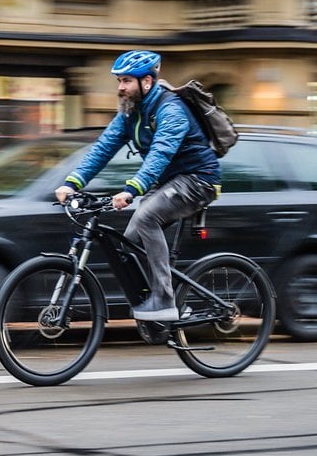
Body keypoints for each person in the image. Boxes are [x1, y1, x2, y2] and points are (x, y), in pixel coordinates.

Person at [55, 50, 220, 321]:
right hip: (169, 182)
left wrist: (132, 189)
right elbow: (103, 148)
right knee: (129, 242)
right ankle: (158, 302)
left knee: (145, 218)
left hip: (199, 179)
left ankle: (164, 300)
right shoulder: (130, 113)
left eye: (127, 81)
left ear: (147, 82)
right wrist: (73, 182)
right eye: (119, 81)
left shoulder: (170, 109)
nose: (121, 87)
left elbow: (160, 154)